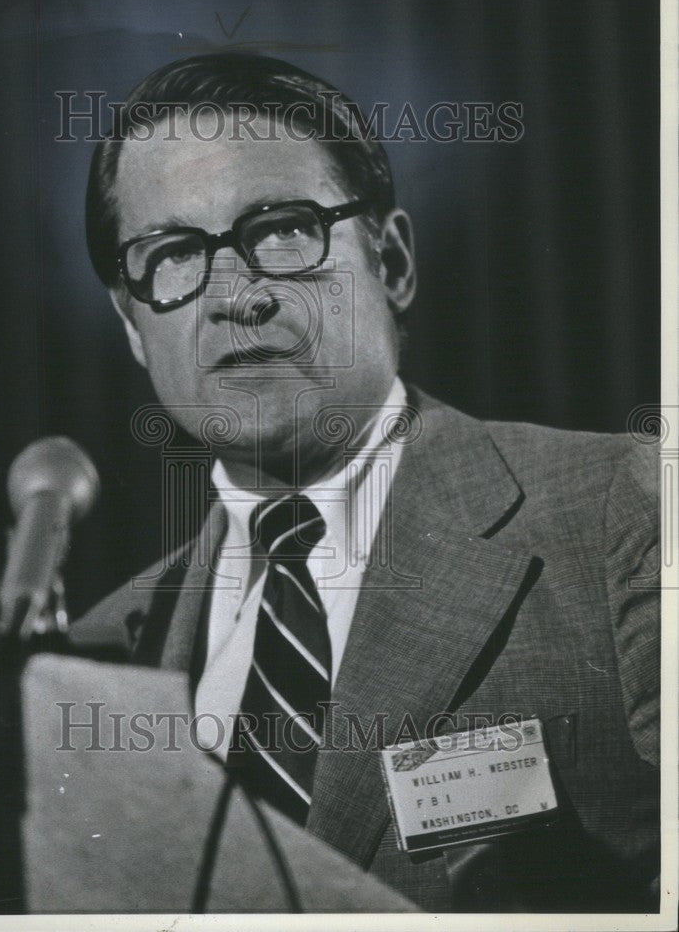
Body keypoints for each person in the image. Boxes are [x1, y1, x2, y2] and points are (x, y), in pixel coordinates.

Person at [78, 53, 659, 912]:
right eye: (173, 254)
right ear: (133, 324)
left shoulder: (623, 507)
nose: (235, 295)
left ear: (389, 263)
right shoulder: (101, 652)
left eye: (280, 230)